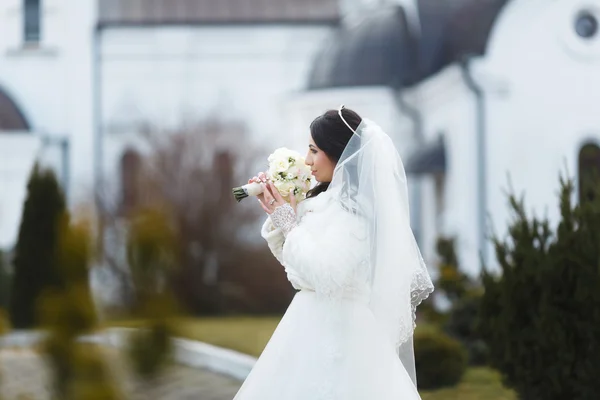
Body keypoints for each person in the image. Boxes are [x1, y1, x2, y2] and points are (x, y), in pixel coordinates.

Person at [233, 106, 434, 400]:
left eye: (315, 150)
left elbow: (328, 273)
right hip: (306, 324)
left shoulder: (356, 213)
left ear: (339, 152)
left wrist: (289, 224)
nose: (307, 160)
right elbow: (298, 269)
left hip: (341, 332)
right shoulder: (324, 201)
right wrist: (280, 214)